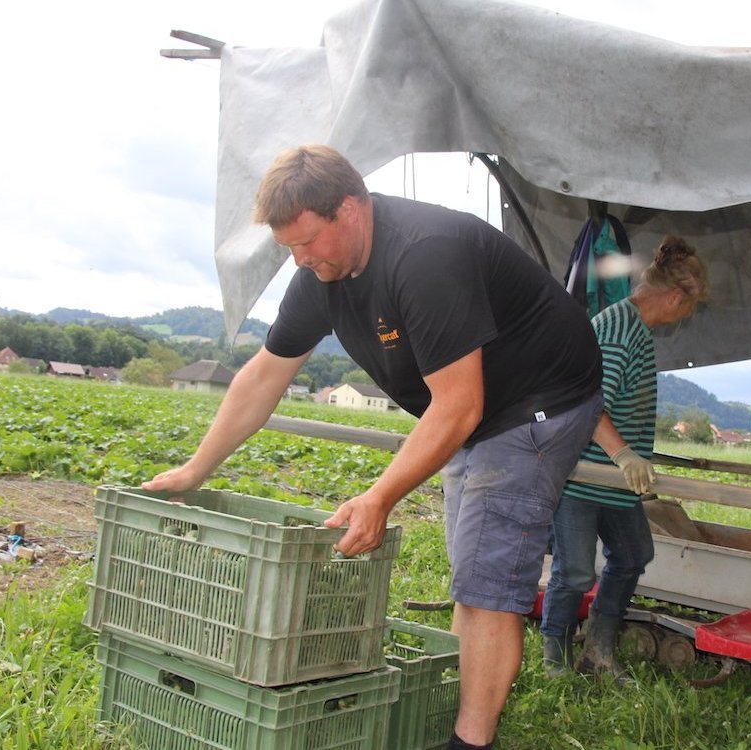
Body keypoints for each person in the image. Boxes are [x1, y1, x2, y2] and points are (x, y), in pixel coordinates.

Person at [142, 144, 603, 750]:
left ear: (352, 209)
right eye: (289, 249)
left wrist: (379, 496)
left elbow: (459, 406)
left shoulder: (422, 255)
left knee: (489, 583)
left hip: (538, 400)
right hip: (479, 409)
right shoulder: (319, 274)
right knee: (473, 571)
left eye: (307, 242)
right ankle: (470, 721)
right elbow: (264, 375)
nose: (300, 260)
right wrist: (196, 469)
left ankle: (471, 742)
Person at [539, 235, 709, 681]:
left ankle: (598, 652)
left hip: (614, 481)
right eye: (689, 307)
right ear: (674, 296)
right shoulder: (618, 326)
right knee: (574, 572)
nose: (686, 316)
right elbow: (588, 401)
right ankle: (555, 662)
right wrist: (624, 454)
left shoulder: (638, 330)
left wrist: (627, 461)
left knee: (633, 554)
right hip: (585, 473)